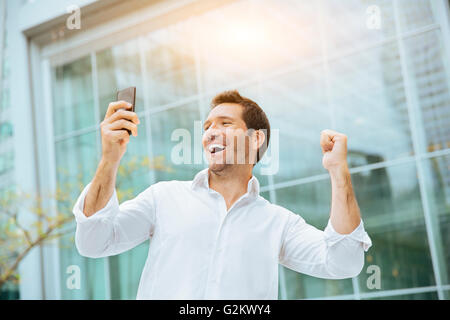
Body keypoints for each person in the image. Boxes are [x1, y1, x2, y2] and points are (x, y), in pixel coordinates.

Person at [72, 90, 372, 299]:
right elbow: (94, 241)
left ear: (256, 139)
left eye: (225, 124)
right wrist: (109, 159)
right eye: (207, 127)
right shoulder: (164, 198)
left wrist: (338, 171)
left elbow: (344, 263)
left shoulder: (279, 223)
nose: (210, 133)